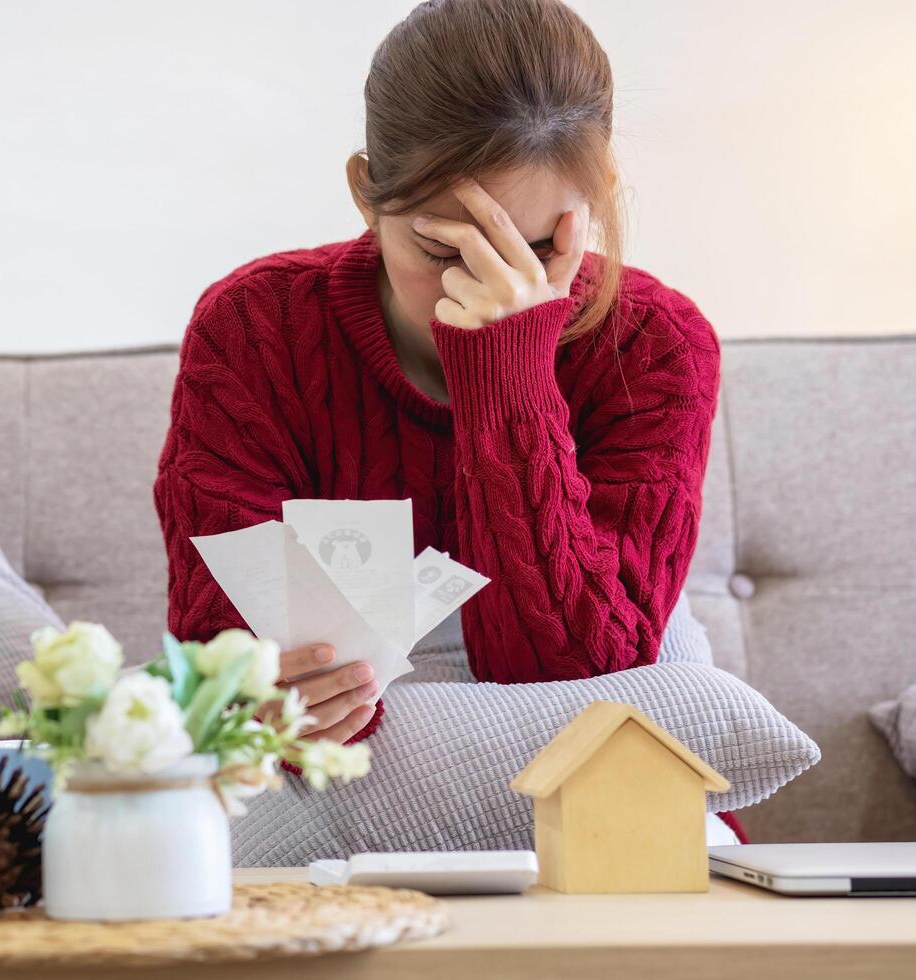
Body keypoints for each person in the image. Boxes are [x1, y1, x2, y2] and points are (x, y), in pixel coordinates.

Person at [152, 0, 742, 840]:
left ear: (599, 195)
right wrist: (264, 694)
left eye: (535, 250)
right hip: (334, 779)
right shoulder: (254, 326)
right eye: (442, 250)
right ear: (365, 194)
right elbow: (216, 655)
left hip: (584, 792)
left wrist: (508, 371)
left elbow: (581, 679)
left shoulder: (656, 345)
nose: (484, 287)